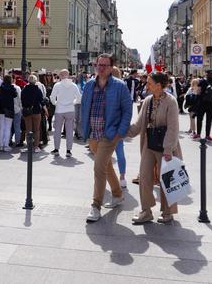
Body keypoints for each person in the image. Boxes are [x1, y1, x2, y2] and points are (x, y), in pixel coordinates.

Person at [81, 54, 132, 223]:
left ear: (111, 68)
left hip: (109, 135)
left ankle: (95, 206)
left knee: (98, 168)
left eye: (104, 65)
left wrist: (121, 132)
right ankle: (117, 195)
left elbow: (127, 110)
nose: (101, 67)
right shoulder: (89, 85)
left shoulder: (120, 86)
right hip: (93, 134)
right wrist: (83, 129)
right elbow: (84, 107)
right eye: (98, 64)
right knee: (106, 165)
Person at [126, 72, 181, 224]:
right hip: (149, 143)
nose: (147, 85)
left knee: (166, 179)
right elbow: (138, 124)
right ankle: (146, 210)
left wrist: (168, 149)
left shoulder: (171, 101)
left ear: (158, 85)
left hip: (166, 146)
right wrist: (124, 131)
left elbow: (173, 127)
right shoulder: (148, 100)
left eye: (149, 83)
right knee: (144, 176)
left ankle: (167, 212)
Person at [50, 69, 82, 157]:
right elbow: (79, 98)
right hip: (70, 109)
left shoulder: (57, 85)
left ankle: (56, 149)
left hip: (59, 110)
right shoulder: (73, 85)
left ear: (60, 76)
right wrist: (73, 102)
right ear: (68, 75)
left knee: (57, 130)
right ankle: (68, 150)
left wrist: (56, 103)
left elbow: (52, 98)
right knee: (69, 131)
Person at [21, 74, 45, 150]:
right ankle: (36, 146)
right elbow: (41, 100)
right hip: (36, 111)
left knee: (28, 130)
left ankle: (29, 146)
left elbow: (22, 100)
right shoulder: (38, 90)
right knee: (36, 130)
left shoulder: (24, 90)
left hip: (27, 111)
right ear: (35, 81)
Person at [195, 70, 212, 141]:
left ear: (206, 75)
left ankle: (198, 135)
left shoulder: (202, 81)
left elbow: (198, 91)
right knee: (209, 120)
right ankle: (207, 136)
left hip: (202, 103)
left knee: (199, 119)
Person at [0, 74, 17, 152]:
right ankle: (6, 145)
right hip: (9, 109)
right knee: (8, 128)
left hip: (1, 109)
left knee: (1, 127)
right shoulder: (12, 88)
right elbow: (15, 95)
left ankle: (1, 145)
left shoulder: (0, 88)